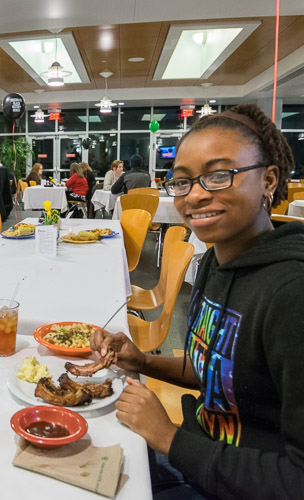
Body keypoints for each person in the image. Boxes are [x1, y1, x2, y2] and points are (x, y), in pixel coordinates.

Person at [91, 104, 304, 498]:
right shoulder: (216, 262)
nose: (197, 196)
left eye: (219, 176)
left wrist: (170, 438)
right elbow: (215, 371)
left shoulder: (291, 295)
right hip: (198, 454)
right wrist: (142, 361)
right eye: (183, 182)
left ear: (269, 180)